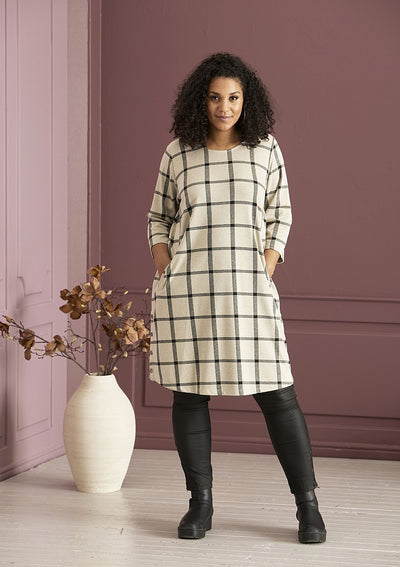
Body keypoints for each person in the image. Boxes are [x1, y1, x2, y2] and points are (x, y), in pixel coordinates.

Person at [147, 52, 326, 544]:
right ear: (199, 101)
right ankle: (200, 505)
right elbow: (158, 217)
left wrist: (264, 267)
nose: (224, 107)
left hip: (247, 290)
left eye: (233, 97)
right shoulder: (178, 153)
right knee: (189, 395)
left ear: (247, 101)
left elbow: (280, 213)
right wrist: (165, 266)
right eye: (214, 97)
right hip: (188, 292)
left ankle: (308, 507)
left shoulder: (265, 148)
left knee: (278, 394)